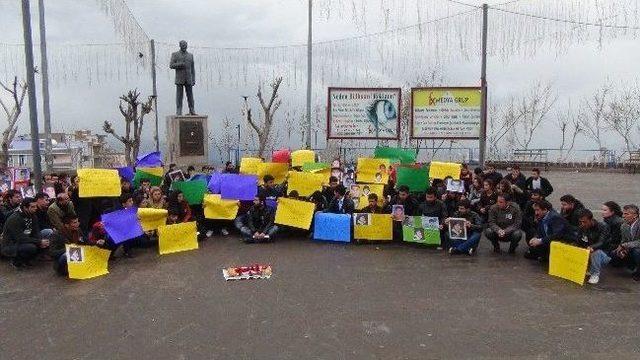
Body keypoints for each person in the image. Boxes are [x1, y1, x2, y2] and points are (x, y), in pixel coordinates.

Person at [1, 198, 49, 268]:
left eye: (36, 206)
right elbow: (19, 238)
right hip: (11, 244)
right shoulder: (14, 219)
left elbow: (36, 231)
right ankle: (16, 261)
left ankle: (33, 257)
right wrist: (39, 241)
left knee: (47, 234)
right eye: (32, 207)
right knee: (31, 247)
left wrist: (41, 241)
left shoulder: (33, 215)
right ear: (25, 208)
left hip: (27, 238)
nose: (36, 208)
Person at [573, 209, 611, 284]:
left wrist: (592, 247)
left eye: (584, 222)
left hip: (605, 255)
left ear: (591, 220)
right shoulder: (581, 228)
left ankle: (595, 274)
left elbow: (602, 242)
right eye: (580, 222)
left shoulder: (603, 226)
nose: (582, 224)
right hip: (588, 253)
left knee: (596, 252)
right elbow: (578, 242)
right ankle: (588, 268)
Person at [611, 204, 640, 281]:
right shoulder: (624, 226)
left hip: (637, 249)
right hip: (630, 248)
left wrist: (624, 245)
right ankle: (631, 266)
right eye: (623, 213)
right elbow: (624, 240)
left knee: (637, 252)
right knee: (614, 254)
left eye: (626, 214)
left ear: (635, 215)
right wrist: (622, 249)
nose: (623, 216)